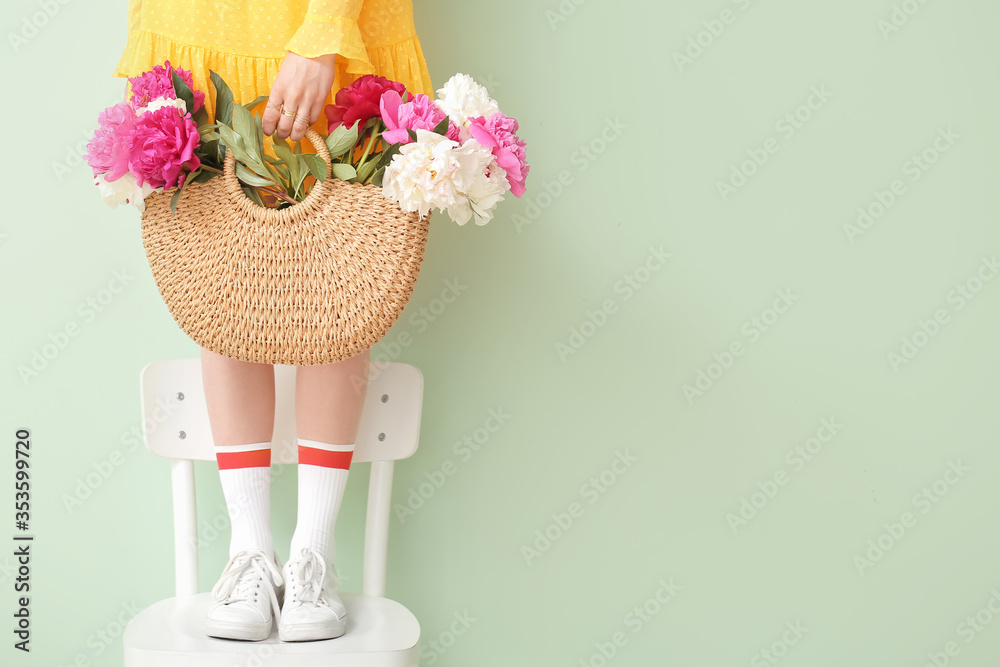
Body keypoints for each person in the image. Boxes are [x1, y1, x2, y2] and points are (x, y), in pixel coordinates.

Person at [112, 0, 434, 643]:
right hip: (204, 23)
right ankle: (251, 550)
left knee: (339, 285)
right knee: (227, 289)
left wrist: (322, 36)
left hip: (324, 26)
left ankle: (314, 552)